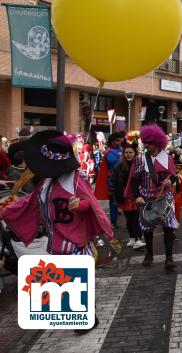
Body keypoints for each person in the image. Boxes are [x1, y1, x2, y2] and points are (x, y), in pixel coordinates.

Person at [1, 130, 113, 334]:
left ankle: (88, 318)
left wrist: (80, 204)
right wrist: (6, 210)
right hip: (56, 241)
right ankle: (78, 315)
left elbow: (91, 203)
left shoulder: (77, 180)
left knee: (78, 281)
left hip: (75, 241)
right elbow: (30, 202)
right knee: (66, 280)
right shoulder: (45, 183)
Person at [125, 125, 178, 270]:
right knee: (147, 229)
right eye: (145, 142)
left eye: (150, 142)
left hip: (164, 198)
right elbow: (134, 179)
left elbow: (174, 177)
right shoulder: (140, 159)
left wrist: (170, 181)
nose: (147, 145)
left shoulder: (168, 159)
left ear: (158, 142)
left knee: (168, 228)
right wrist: (137, 196)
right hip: (146, 197)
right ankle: (149, 254)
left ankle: (169, 258)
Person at [109, 143, 145, 250]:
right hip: (123, 197)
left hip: (136, 196)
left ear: (135, 153)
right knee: (129, 219)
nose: (128, 155)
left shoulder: (139, 165)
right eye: (126, 153)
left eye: (130, 152)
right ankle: (133, 239)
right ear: (123, 154)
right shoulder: (118, 166)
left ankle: (138, 239)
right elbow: (113, 182)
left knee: (136, 218)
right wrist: (114, 197)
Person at [94, 131, 124, 229]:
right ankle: (113, 222)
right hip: (113, 179)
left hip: (123, 177)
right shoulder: (109, 152)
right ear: (112, 142)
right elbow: (116, 162)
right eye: (118, 140)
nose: (120, 142)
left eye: (120, 140)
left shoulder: (122, 149)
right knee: (113, 200)